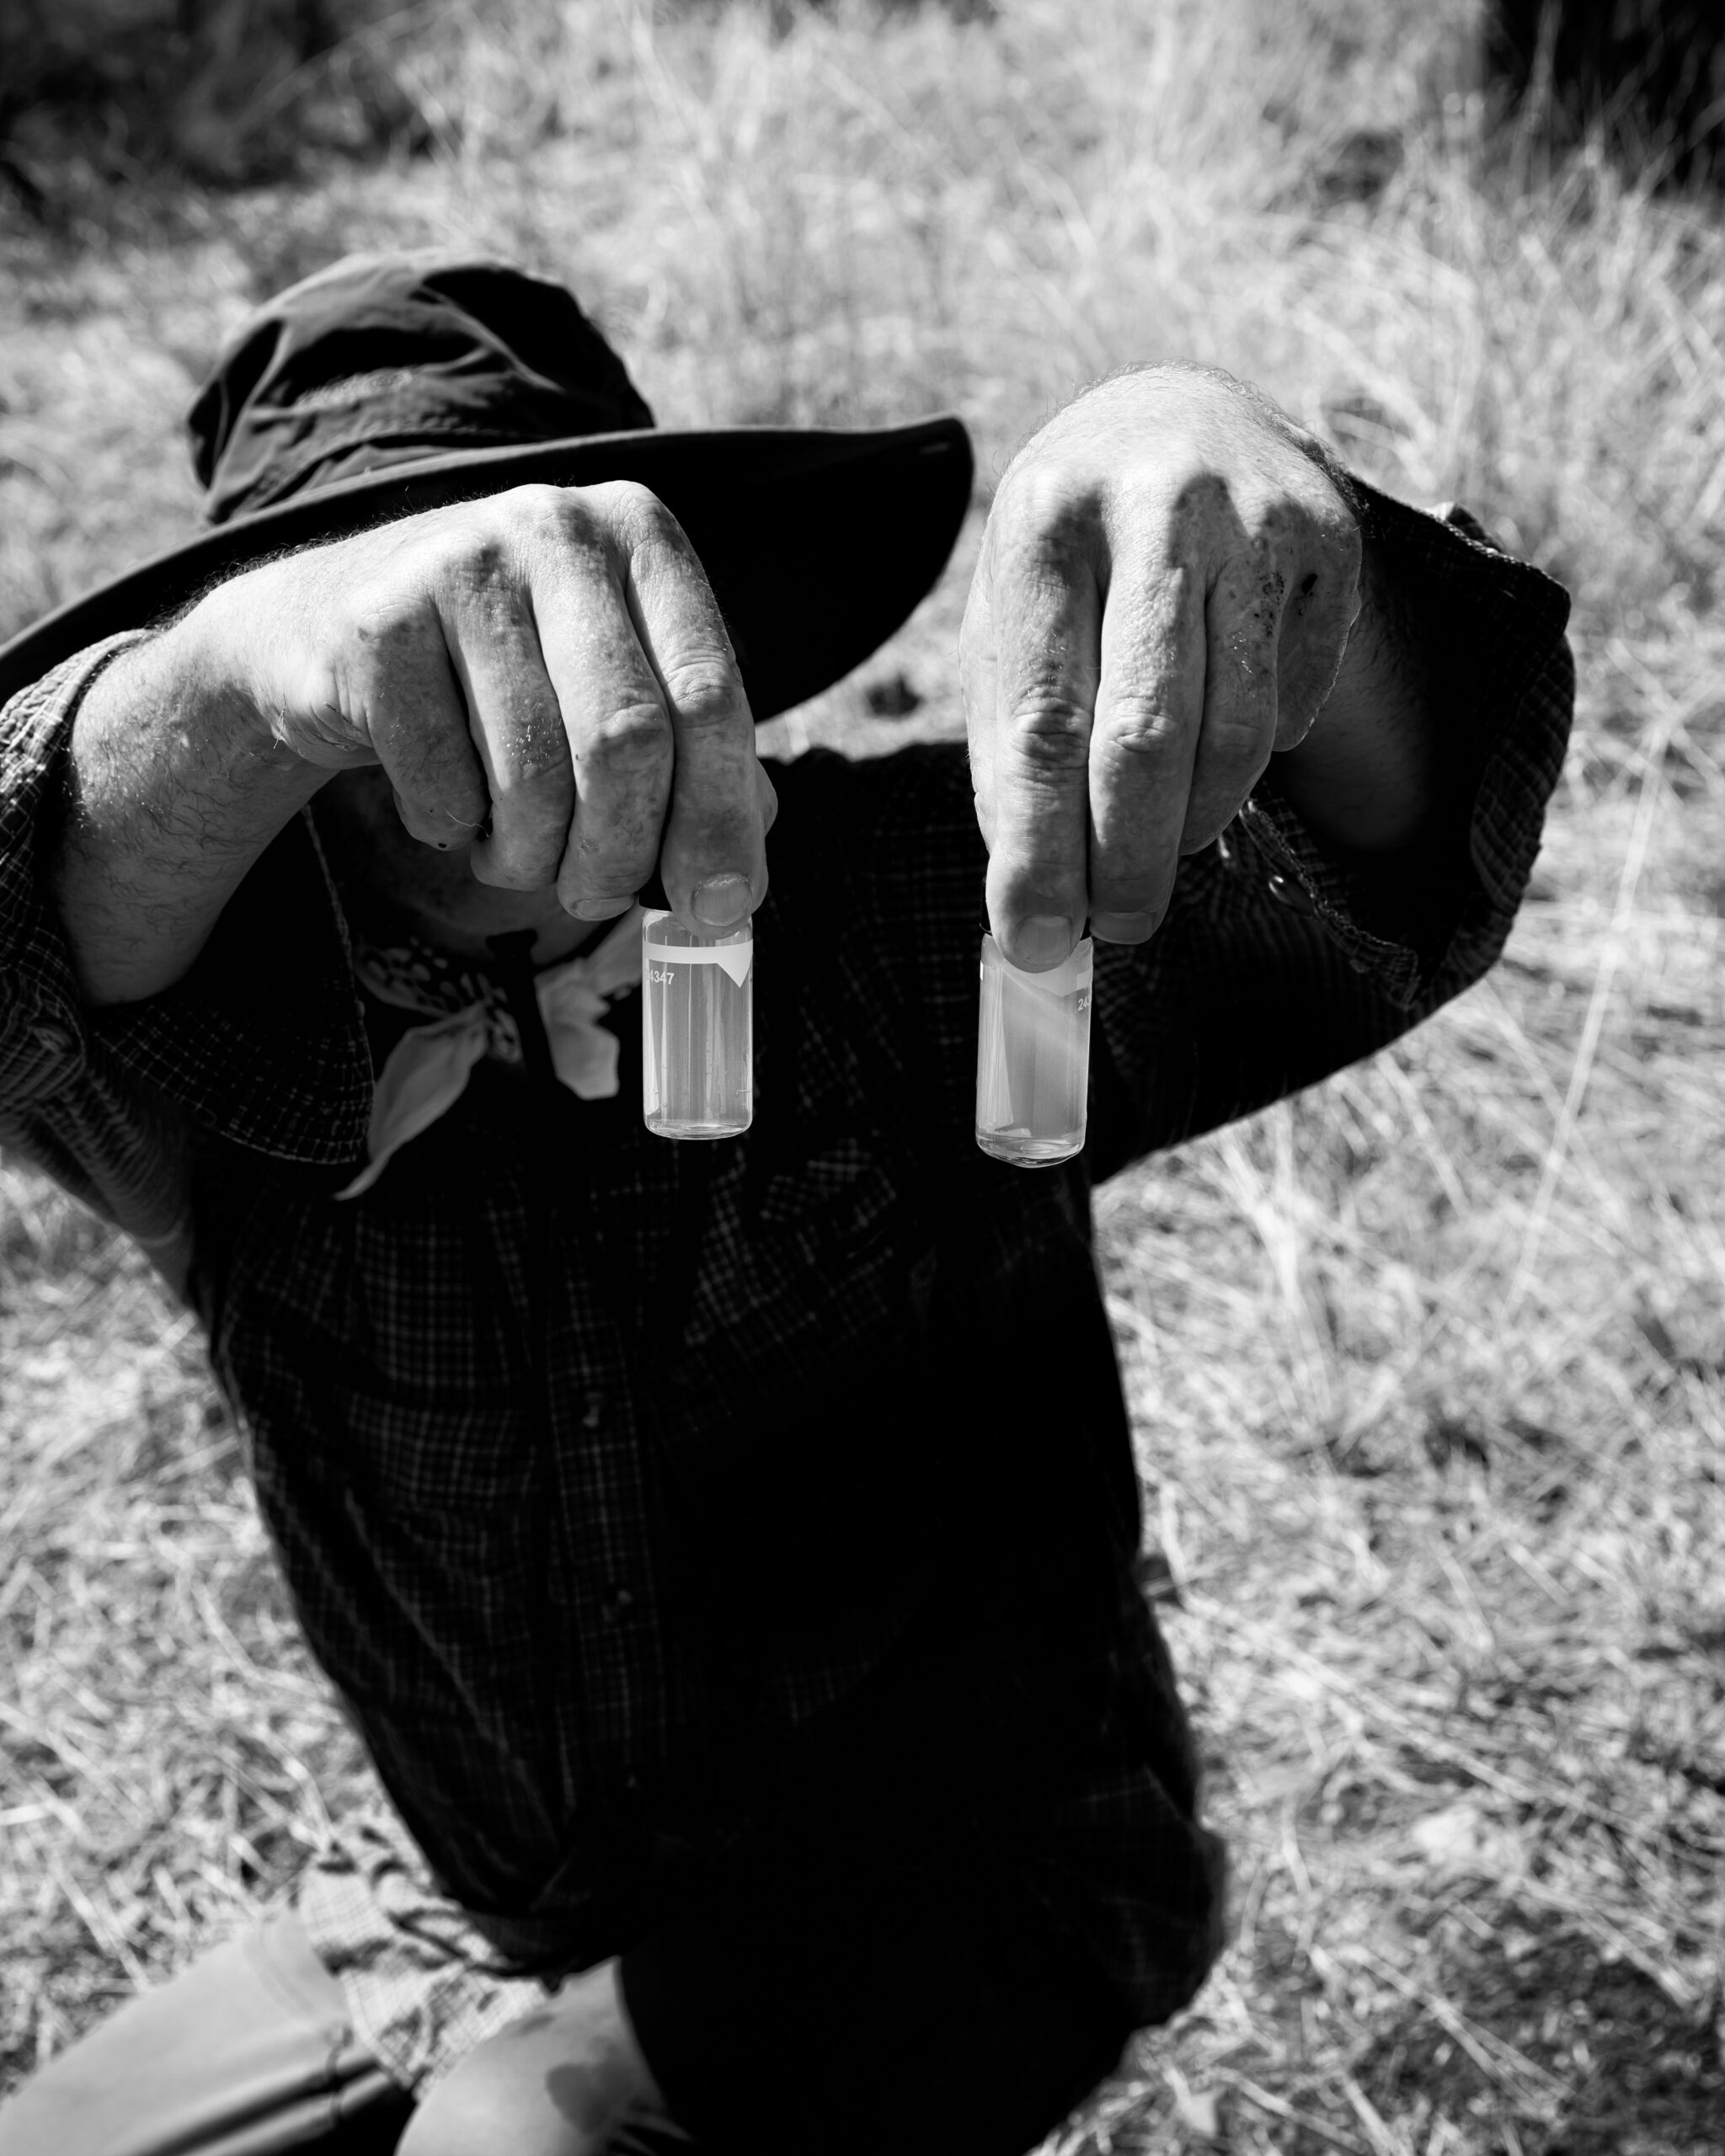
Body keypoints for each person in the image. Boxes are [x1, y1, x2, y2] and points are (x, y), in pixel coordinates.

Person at [0, 251, 1573, 2156]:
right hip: (502, 1914)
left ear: (693, 622)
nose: (501, 722)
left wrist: (1249, 513)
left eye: (542, 616)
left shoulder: (923, 931)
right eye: (420, 645)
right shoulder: (218, 1078)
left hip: (985, 1867)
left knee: (505, 2142)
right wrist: (248, 676)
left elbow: (1379, 874)